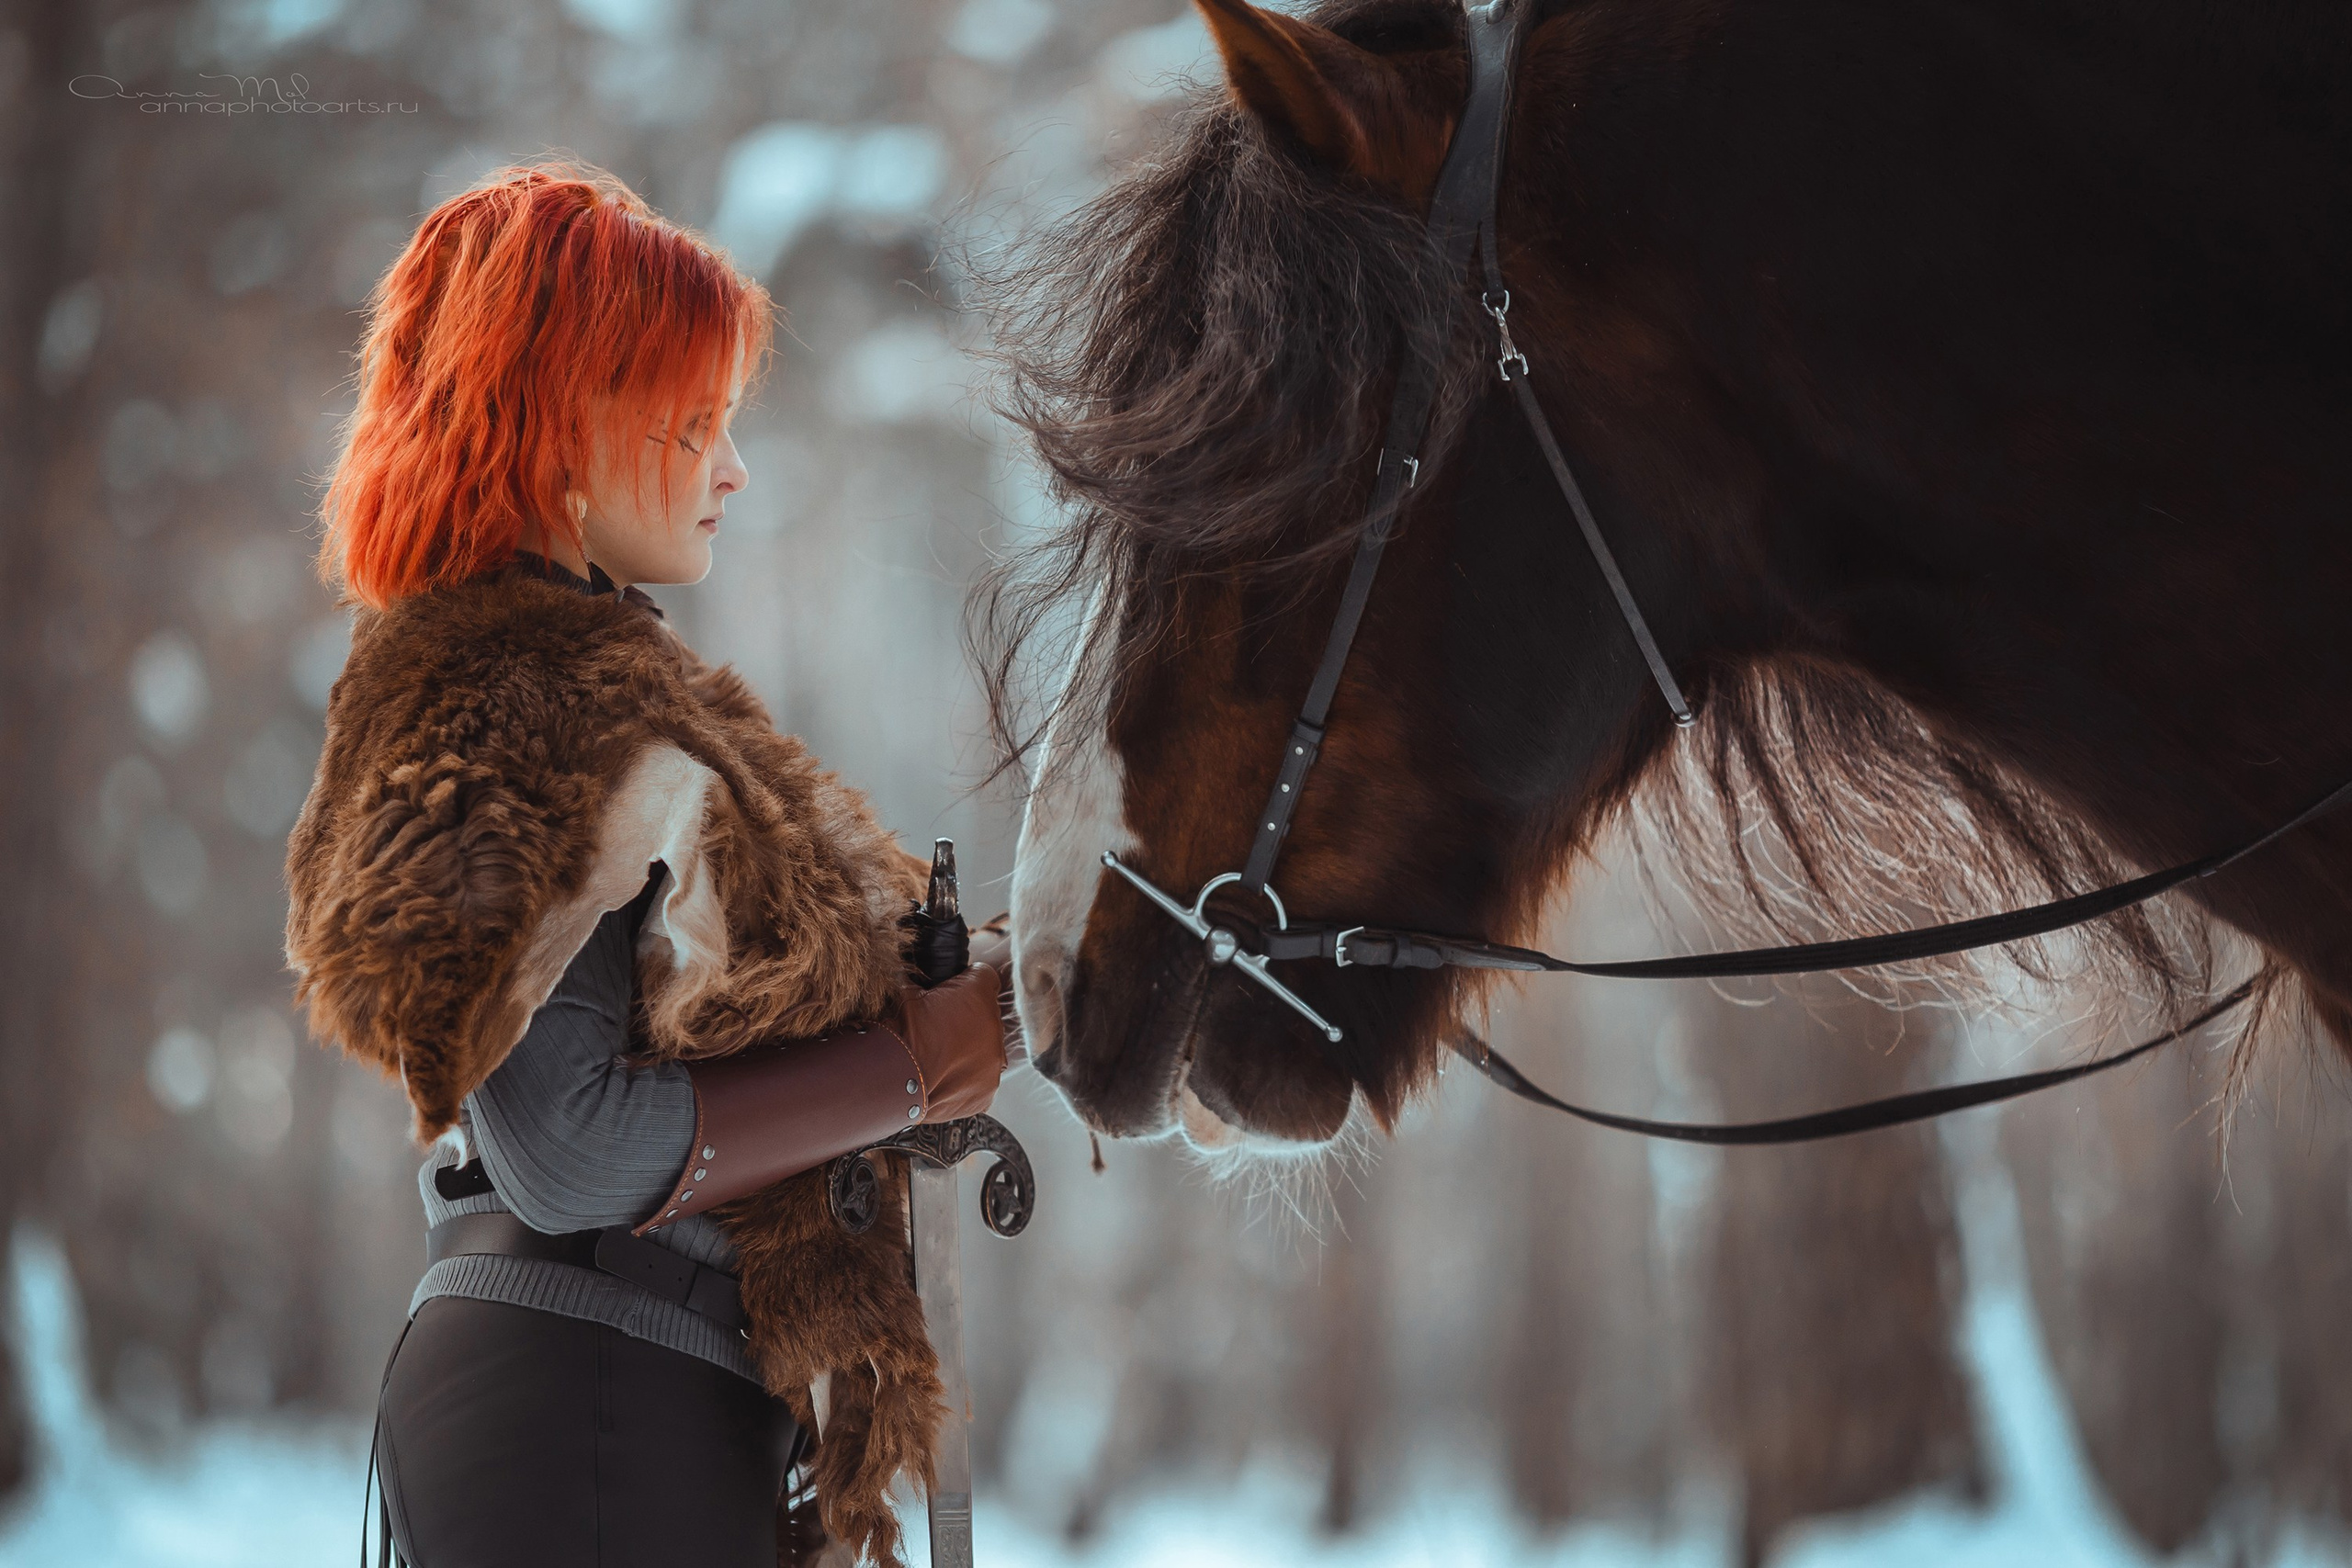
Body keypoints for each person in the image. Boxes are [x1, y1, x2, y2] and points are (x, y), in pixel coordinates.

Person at [283, 161, 1011, 1567]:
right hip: (588, 1413)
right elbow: (563, 1150)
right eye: (696, 422)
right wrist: (915, 1071)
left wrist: (995, 1011)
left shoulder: (567, 681)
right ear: (566, 424)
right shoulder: (507, 700)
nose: (733, 466)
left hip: (619, 1397)